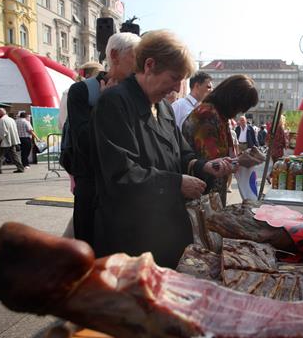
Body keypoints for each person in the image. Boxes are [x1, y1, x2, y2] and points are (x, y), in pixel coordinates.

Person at [90, 30, 232, 268]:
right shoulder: (115, 103)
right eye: (174, 77)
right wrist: (175, 183)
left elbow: (181, 153)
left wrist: (202, 165)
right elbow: (121, 173)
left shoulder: (163, 108)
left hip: (163, 232)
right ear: (149, 65)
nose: (177, 88)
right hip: (130, 238)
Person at [67, 33, 140, 246]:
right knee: (87, 248)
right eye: (136, 57)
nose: (141, 65)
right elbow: (83, 141)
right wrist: (104, 105)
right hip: (91, 184)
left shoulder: (138, 94)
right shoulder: (82, 91)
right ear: (115, 56)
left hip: (124, 186)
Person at [182, 75, 259, 205]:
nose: (238, 113)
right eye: (239, 108)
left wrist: (242, 158)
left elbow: (224, 155)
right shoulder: (207, 115)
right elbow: (212, 164)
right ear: (232, 100)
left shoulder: (219, 115)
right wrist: (240, 161)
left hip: (211, 195)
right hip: (202, 196)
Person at [0, 108, 25, 174]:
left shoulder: (2, 120)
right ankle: (20, 168)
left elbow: (3, 131)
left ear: (0, 113)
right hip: (12, 140)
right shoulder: (11, 119)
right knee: (14, 155)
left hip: (4, 140)